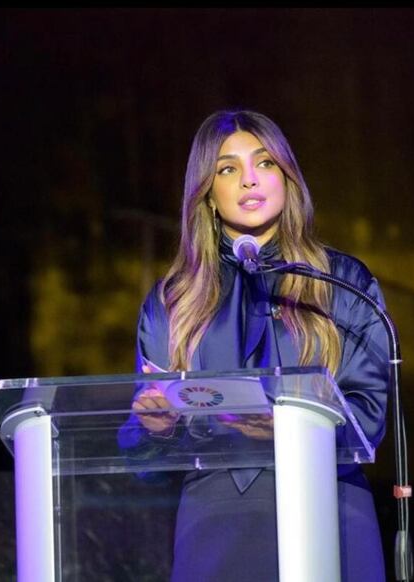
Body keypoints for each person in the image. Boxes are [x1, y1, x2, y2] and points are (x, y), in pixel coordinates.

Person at [119, 109, 389, 581]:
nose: (249, 180)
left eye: (264, 163)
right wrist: (156, 429)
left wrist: (289, 430)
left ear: (287, 176)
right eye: (228, 169)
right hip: (216, 523)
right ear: (206, 193)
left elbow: (369, 417)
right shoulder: (172, 302)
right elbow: (144, 457)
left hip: (331, 506)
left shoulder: (343, 284)